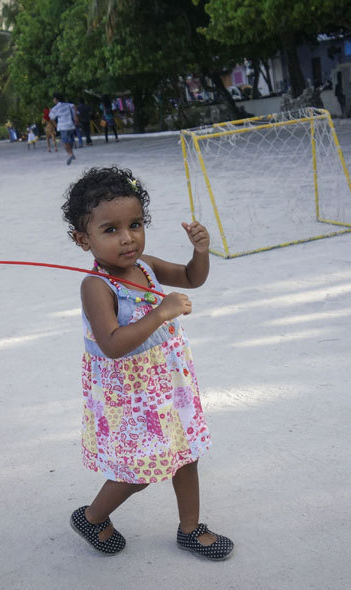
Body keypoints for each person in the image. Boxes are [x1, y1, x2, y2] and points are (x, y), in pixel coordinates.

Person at [61, 166, 233, 560]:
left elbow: (192, 277)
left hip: (168, 383)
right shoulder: (96, 286)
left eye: (135, 224)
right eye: (110, 230)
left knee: (186, 452)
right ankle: (93, 516)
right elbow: (112, 345)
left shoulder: (147, 266)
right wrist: (160, 313)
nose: (127, 238)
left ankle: (190, 528)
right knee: (137, 471)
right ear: (82, 239)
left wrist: (201, 251)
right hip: (131, 396)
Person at [49, 92, 78, 165]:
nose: (53, 100)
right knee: (69, 140)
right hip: (70, 125)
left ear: (56, 99)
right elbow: (74, 106)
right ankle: (72, 153)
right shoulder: (67, 104)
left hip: (62, 127)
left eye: (53, 99)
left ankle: (70, 154)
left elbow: (51, 118)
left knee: (64, 142)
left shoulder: (55, 108)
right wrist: (75, 116)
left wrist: (56, 126)